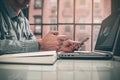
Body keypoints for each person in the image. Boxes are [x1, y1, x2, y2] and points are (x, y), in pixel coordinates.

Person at [0, 0, 79, 55]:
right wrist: (40, 44)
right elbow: (37, 45)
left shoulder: (24, 21)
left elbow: (35, 46)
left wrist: (59, 46)